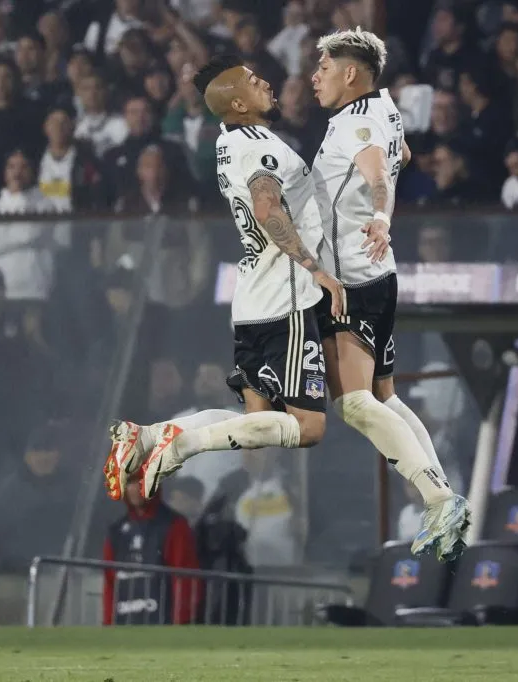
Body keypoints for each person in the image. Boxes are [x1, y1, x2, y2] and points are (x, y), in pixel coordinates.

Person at [102, 54, 346, 502]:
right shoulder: (259, 146)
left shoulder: (228, 143)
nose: (267, 84)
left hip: (252, 297)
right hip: (287, 295)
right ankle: (179, 448)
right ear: (237, 103)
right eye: (254, 82)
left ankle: (148, 436)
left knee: (255, 417)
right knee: (308, 426)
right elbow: (267, 209)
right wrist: (317, 270)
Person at [310, 28, 469, 562]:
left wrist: (380, 214)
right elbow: (400, 148)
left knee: (353, 404)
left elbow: (379, 167)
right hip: (380, 274)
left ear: (350, 73)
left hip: (352, 277)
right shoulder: (383, 105)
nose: (315, 78)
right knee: (383, 398)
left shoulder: (357, 121)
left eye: (324, 69)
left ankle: (438, 497)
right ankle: (442, 494)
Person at [103, 473, 202, 625]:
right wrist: (108, 622)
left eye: (141, 483)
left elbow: (185, 578)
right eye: (130, 483)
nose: (135, 489)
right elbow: (110, 582)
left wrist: (180, 621)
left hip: (163, 625)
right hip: (123, 624)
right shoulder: (116, 531)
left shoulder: (174, 526)